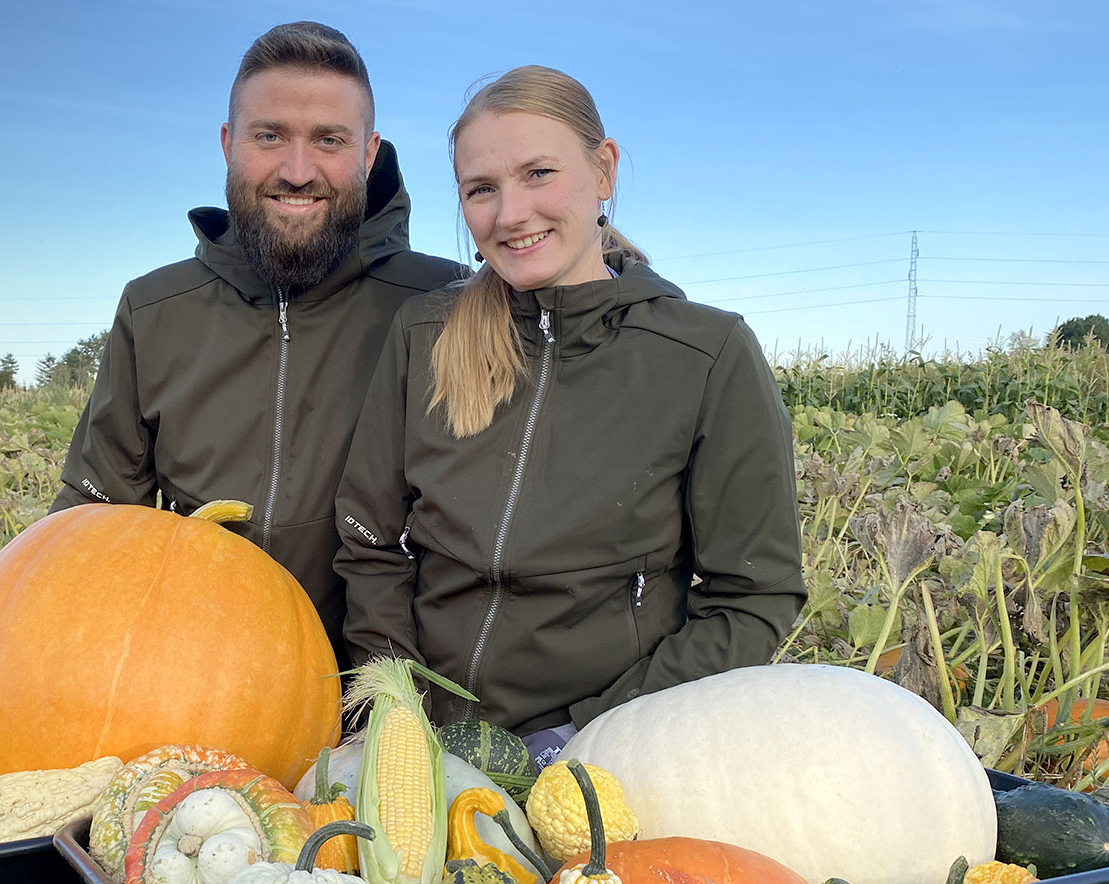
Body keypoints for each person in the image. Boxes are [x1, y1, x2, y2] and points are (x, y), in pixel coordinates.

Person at [334, 65, 806, 766]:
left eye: (538, 174)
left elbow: (754, 596)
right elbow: (370, 543)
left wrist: (589, 737)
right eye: (481, 189)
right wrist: (394, 709)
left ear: (604, 170)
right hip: (421, 741)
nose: (510, 214)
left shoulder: (704, 354)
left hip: (604, 752)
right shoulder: (423, 334)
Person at [49, 22, 466, 667]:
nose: (297, 172)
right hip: (193, 676)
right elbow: (93, 516)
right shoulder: (155, 310)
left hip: (392, 687)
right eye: (269, 136)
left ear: (369, 152)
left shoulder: (445, 304)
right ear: (227, 144)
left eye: (330, 140)